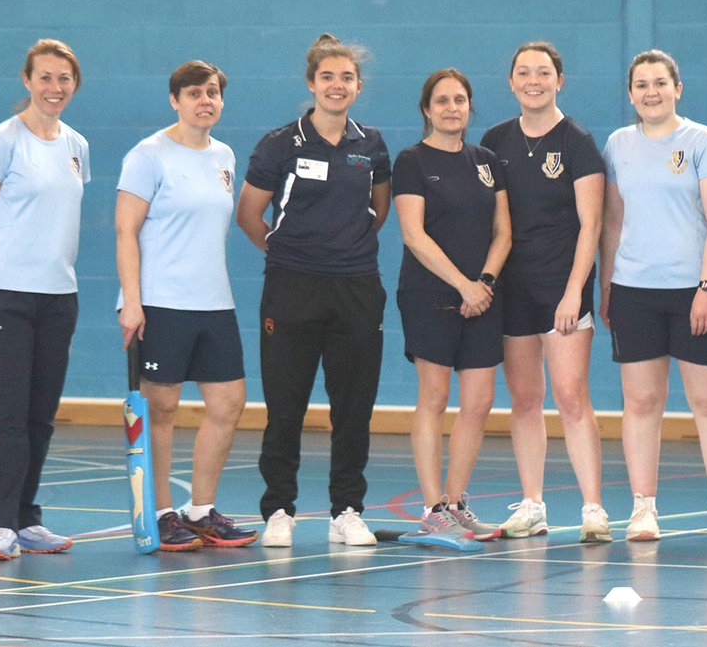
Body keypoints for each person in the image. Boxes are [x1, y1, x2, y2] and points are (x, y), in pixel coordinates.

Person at [237, 34, 391, 548]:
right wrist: (287, 255)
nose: (337, 85)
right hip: (291, 288)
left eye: (346, 77)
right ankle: (278, 509)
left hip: (356, 288)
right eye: (328, 77)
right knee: (286, 406)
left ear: (358, 86)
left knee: (354, 408)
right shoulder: (280, 143)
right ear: (312, 83)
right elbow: (248, 213)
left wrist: (345, 250)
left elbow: (380, 210)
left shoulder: (371, 144)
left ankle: (346, 509)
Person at [600, 49, 707, 542]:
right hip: (634, 291)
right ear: (630, 94)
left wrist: (706, 287)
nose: (651, 92)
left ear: (677, 87)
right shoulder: (618, 145)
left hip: (696, 291)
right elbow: (613, 221)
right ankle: (643, 508)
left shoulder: (705, 142)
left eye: (660, 82)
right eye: (641, 84)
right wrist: (607, 285)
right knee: (641, 401)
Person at [116, 60, 256, 551]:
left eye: (213, 92)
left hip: (214, 302)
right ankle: (160, 513)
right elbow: (125, 231)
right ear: (175, 99)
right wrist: (131, 302)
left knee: (229, 403)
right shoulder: (147, 155)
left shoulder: (225, 156)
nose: (205, 100)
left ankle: (200, 510)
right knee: (163, 407)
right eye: (194, 92)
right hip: (160, 301)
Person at [479, 42, 610, 543]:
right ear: (511, 82)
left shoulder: (577, 142)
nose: (533, 80)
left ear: (560, 79)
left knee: (572, 397)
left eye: (543, 72)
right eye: (523, 72)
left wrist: (575, 291)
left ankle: (593, 507)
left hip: (562, 287)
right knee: (525, 399)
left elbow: (591, 223)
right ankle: (532, 503)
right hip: (512, 290)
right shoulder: (494, 141)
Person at [0, 38, 88, 560]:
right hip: (5, 298)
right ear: (27, 81)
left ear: (74, 84)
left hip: (59, 298)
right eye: (45, 77)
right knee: (8, 416)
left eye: (63, 79)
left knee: (41, 416)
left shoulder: (77, 145)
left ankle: (27, 518)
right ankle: (1, 527)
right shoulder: (3, 141)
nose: (54, 88)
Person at [394, 68, 511, 541]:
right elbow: (413, 234)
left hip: (482, 296)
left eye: (459, 100)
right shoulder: (412, 161)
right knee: (436, 396)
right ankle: (432, 506)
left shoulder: (487, 161)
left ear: (469, 106)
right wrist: (462, 285)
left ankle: (458, 501)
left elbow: (504, 232)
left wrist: (482, 283)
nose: (451, 108)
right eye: (441, 101)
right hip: (431, 294)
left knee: (480, 401)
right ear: (427, 109)